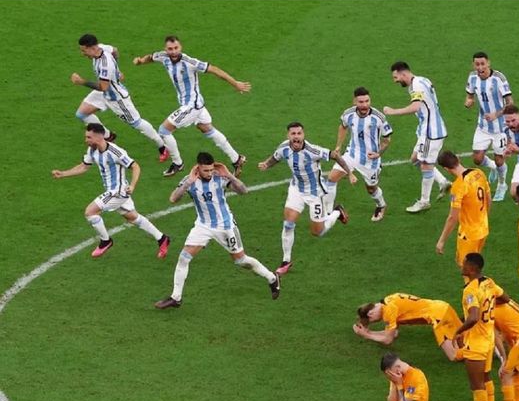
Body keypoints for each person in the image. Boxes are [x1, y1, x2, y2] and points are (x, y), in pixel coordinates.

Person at [154, 152, 280, 309]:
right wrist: (188, 183)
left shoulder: (220, 177)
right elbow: (173, 199)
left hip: (225, 226)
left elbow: (243, 191)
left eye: (211, 170)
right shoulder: (189, 180)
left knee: (241, 261)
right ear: (198, 168)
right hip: (203, 225)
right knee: (184, 258)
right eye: (205, 170)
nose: (209, 173)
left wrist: (230, 176)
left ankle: (271, 278)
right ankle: (176, 297)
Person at [133, 35, 250, 177]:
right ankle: (237, 159)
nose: (174, 51)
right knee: (206, 128)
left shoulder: (189, 62)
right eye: (170, 49)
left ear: (180, 47)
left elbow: (215, 70)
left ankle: (177, 163)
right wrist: (140, 61)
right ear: (166, 49)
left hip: (192, 106)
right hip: (195, 103)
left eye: (176, 48)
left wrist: (235, 84)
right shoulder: (163, 56)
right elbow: (151, 57)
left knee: (164, 130)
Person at [52, 123, 170, 259]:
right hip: (112, 191)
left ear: (99, 136)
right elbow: (84, 167)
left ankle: (105, 241)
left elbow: (135, 166)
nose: (86, 140)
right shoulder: (92, 150)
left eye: (89, 137)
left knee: (90, 212)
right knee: (132, 217)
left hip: (118, 191)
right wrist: (63, 174)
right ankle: (162, 238)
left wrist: (132, 186)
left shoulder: (115, 152)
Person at [258, 122, 356, 274]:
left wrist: (349, 173)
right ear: (288, 135)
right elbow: (276, 157)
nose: (296, 137)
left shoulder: (313, 151)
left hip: (315, 193)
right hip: (296, 189)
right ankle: (286, 260)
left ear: (303, 135)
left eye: (299, 133)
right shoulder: (284, 147)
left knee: (318, 232)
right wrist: (266, 164)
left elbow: (335, 156)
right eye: (293, 134)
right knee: (288, 223)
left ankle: (337, 212)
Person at [71, 34, 168, 161]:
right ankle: (107, 135)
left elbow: (103, 87)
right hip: (104, 92)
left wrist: (81, 82)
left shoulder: (105, 65)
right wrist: (117, 71)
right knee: (81, 114)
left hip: (116, 98)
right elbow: (115, 50)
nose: (83, 53)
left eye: (84, 50)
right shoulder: (101, 48)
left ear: (92, 48)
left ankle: (162, 146)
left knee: (136, 123)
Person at [455, 253, 510, 401]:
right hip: (488, 339)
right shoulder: (488, 282)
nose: (461, 266)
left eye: (464, 264)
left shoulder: (470, 290)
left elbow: (472, 317)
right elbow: (506, 298)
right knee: (486, 378)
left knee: (476, 384)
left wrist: (458, 331)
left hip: (476, 343)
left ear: (471, 268)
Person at [382, 61, 451, 213]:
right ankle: (443, 182)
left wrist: (393, 111)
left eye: (396, 77)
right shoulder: (422, 79)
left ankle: (424, 201)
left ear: (403, 73)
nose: (395, 81)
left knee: (426, 164)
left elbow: (415, 106)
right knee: (415, 159)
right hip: (426, 130)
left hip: (430, 133)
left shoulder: (416, 86)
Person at [326, 87, 393, 222]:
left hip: (370, 160)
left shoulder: (378, 117)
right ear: (354, 102)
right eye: (361, 102)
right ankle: (329, 212)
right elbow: (343, 126)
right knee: (331, 178)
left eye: (367, 101)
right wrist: (338, 145)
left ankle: (381, 205)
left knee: (371, 189)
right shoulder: (348, 114)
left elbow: (387, 140)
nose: (364, 105)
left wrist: (378, 154)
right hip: (351, 154)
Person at [464, 52, 514, 201]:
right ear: (474, 65)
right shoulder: (472, 77)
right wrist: (469, 101)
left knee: (500, 159)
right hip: (483, 126)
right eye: (477, 64)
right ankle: (492, 167)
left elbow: (510, 103)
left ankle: (502, 184)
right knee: (477, 159)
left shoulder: (499, 79)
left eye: (482, 64)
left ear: (488, 63)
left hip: (500, 128)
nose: (480, 67)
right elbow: (470, 95)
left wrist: (496, 115)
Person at [353, 293, 462, 361]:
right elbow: (393, 334)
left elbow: (388, 339)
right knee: (465, 339)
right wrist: (370, 332)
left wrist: (366, 335)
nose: (375, 321)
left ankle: (477, 355)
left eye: (371, 321)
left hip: (438, 317)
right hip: (443, 307)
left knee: (453, 356)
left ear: (370, 314)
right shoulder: (388, 300)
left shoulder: (389, 311)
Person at [435, 151, 491, 268]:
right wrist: (484, 217)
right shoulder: (478, 173)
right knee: (474, 263)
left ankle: (473, 286)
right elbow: (488, 198)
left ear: (446, 169)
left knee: (467, 268)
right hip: (483, 228)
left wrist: (441, 240)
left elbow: (452, 217)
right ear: (458, 159)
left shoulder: (458, 186)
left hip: (469, 234)